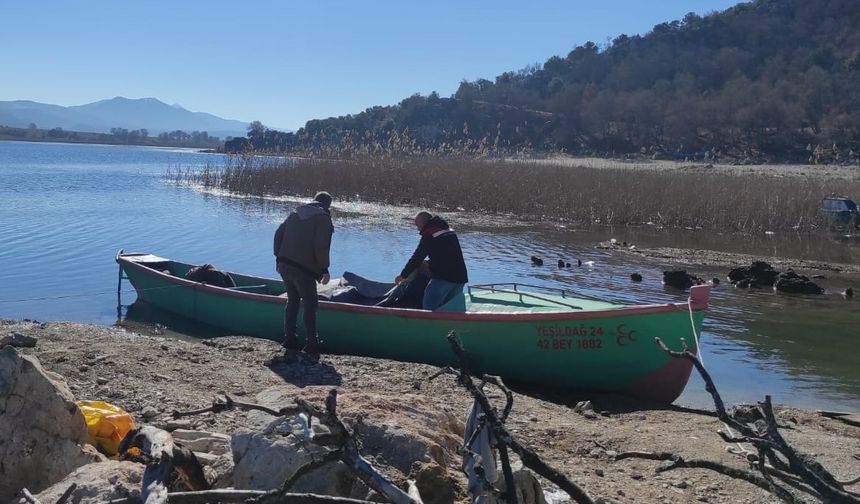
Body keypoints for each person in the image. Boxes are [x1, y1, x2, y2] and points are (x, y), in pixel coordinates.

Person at [273, 191, 334, 356]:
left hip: (284, 264)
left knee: (292, 300)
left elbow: (278, 234)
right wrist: (324, 269)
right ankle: (311, 344)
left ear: (314, 201)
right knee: (310, 304)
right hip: (303, 269)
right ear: (328, 205)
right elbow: (321, 246)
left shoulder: (295, 212)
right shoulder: (323, 218)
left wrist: (278, 256)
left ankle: (290, 339)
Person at [396, 211, 468, 310]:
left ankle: (427, 325)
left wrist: (403, 275)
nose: (418, 229)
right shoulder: (448, 230)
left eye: (417, 225)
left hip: (444, 278)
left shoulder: (430, 234)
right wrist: (428, 264)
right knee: (452, 310)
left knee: (428, 308)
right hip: (460, 277)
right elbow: (448, 256)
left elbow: (417, 257)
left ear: (423, 223)